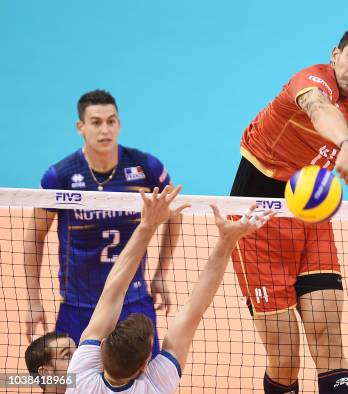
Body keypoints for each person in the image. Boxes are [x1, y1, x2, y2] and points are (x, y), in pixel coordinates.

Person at [230, 25, 348, 393]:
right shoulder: (309, 81)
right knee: (285, 357)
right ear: (335, 55)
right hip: (257, 221)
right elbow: (319, 107)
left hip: (311, 219)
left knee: (327, 336)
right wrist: (345, 143)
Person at [66, 185, 274, 393]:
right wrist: (227, 239)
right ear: (144, 367)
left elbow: (115, 291)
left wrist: (147, 225)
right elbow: (190, 310)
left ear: (102, 347)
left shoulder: (80, 377)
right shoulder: (155, 386)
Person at [23, 89, 180, 356]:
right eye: (96, 122)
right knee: (73, 383)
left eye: (111, 121)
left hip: (133, 301)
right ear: (80, 127)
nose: (105, 129)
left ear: (119, 124)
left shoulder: (145, 168)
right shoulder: (60, 176)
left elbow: (174, 214)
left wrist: (161, 274)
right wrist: (32, 300)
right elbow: (34, 237)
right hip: (79, 305)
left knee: (144, 380)